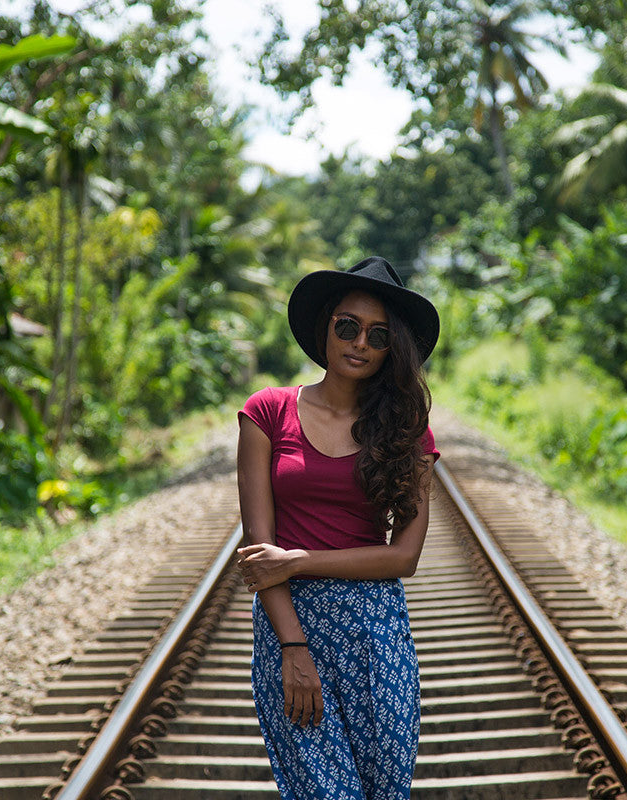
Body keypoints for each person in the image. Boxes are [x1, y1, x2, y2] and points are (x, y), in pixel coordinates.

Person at [235, 255, 441, 800]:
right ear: (325, 327)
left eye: (378, 336)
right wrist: (292, 647)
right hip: (292, 626)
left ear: (391, 348)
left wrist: (299, 559)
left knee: (382, 792)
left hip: (376, 633)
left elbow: (404, 558)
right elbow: (260, 551)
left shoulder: (407, 432)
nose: (360, 344)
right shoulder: (268, 412)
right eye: (347, 327)